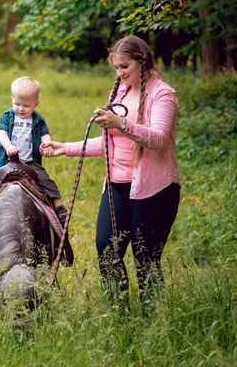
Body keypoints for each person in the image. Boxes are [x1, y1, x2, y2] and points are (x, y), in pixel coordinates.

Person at [49, 35, 180, 314]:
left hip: (154, 189)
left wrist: (120, 122)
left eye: (124, 67)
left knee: (145, 257)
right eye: (116, 69)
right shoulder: (121, 93)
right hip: (117, 187)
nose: (119, 73)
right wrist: (65, 148)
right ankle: (120, 314)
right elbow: (110, 144)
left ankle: (152, 319)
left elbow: (158, 138)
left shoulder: (162, 94)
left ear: (141, 62)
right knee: (106, 251)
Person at [0, 76, 73, 273]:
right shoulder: (7, 116)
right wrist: (9, 146)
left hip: (30, 163)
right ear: (12, 99)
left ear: (36, 104)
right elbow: (2, 134)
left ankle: (58, 208)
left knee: (48, 183)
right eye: (17, 104)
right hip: (5, 162)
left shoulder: (38, 120)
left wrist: (46, 145)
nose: (21, 109)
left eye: (26, 105)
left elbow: (45, 135)